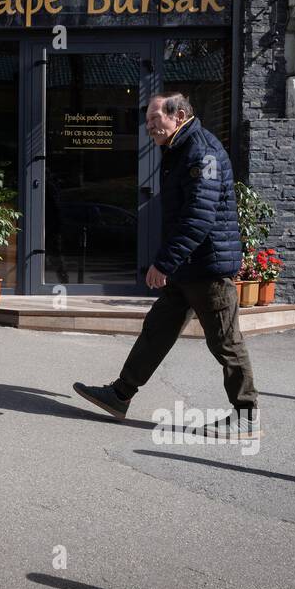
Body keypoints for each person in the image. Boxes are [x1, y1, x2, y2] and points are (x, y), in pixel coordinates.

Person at [73, 92, 262, 440]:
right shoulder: (179, 149)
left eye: (154, 119)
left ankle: (247, 415)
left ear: (178, 115)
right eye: (146, 121)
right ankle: (120, 395)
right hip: (189, 268)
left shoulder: (200, 151)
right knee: (157, 331)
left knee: (225, 341)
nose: (149, 127)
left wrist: (164, 262)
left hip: (207, 268)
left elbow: (198, 217)